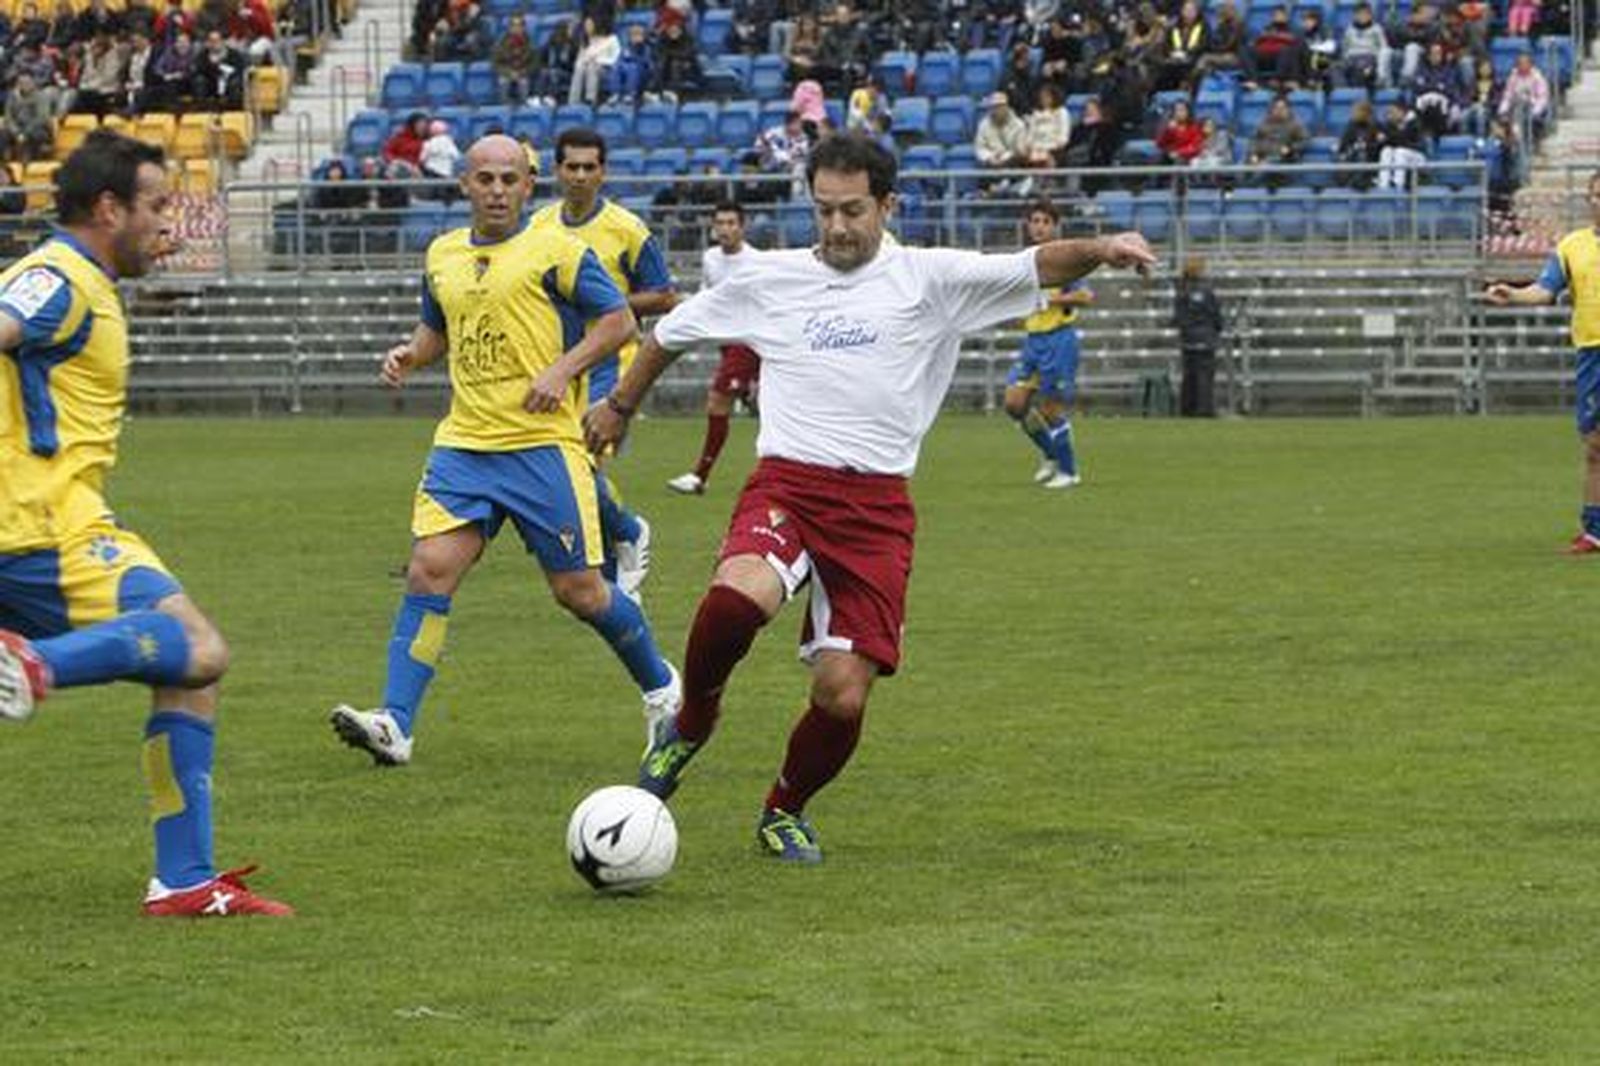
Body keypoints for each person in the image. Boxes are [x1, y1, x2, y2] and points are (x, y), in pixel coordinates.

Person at [582, 133, 1155, 863]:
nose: (837, 227)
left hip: (877, 509)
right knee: (735, 599)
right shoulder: (771, 280)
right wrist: (620, 407)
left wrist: (1104, 246)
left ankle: (784, 810)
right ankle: (692, 720)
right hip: (788, 484)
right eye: (823, 211)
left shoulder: (931, 279)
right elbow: (670, 335)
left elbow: (1035, 265)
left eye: (853, 210)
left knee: (842, 694)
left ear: (888, 204)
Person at [0, 131, 292, 917]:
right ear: (108, 208)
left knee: (191, 669)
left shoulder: (78, 274)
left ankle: (185, 880)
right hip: (41, 528)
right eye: (156, 205)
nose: (169, 221)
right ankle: (30, 666)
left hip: (56, 517)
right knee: (198, 648)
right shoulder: (57, 277)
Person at [329, 135, 682, 766]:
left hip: (541, 447)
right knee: (427, 571)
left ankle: (662, 688)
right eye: (484, 179)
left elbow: (619, 323)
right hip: (465, 443)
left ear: (527, 186)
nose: (496, 190)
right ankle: (396, 723)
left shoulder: (557, 250)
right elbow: (438, 330)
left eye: (508, 180)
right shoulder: (442, 255)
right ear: (464, 184)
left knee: (580, 592)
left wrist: (560, 370)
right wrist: (410, 354)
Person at [530, 127, 673, 600]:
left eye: (590, 167)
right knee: (562, 467)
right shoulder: (538, 227)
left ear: (604, 172)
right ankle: (613, 572)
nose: (580, 175)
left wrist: (606, 302)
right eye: (572, 166)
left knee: (575, 460)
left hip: (611, 364)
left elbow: (665, 295)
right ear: (556, 171)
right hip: (558, 365)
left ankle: (630, 533)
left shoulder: (627, 229)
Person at [1485, 171, 1600, 554]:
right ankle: (1594, 530)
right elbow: (1544, 290)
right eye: (1596, 195)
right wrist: (1514, 295)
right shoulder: (1573, 246)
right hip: (1591, 354)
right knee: (1594, 446)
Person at [668, 201, 763, 496]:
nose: (724, 229)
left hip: (746, 342)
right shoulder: (711, 258)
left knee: (716, 402)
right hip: (726, 342)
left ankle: (700, 477)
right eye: (719, 223)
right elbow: (708, 295)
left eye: (731, 223)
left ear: (742, 227)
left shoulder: (756, 261)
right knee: (765, 408)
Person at [1002, 200, 1093, 488]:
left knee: (1051, 409)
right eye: (1034, 221)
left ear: (1055, 226)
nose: (1038, 226)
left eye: (1044, 221)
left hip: (1058, 341)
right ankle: (1050, 454)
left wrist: (1049, 300)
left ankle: (1069, 472)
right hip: (1034, 342)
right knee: (1014, 403)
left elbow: (1085, 297)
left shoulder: (1063, 259)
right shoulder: (1026, 259)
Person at [1173, 255, 1225, 417]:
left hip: (1188, 339)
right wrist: (1217, 329)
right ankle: (1204, 409)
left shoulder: (1181, 290)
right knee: (1205, 376)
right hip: (1206, 338)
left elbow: (1178, 317)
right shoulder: (1207, 290)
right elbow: (1216, 315)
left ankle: (1187, 409)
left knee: (1189, 375)